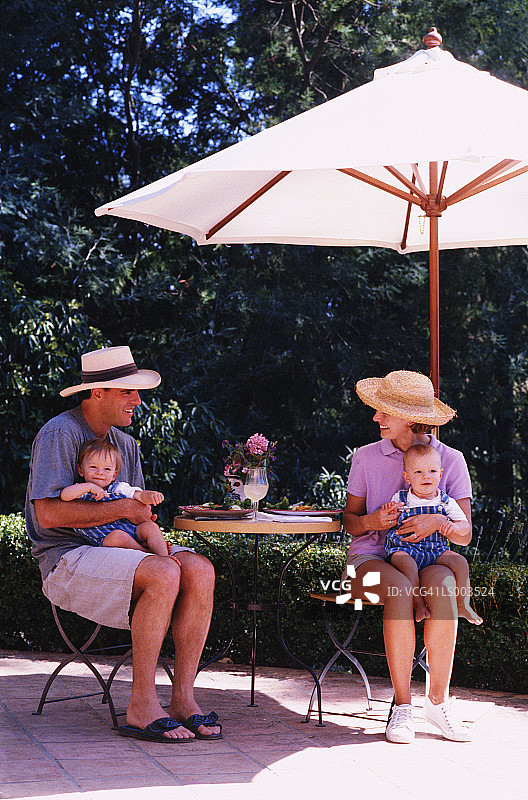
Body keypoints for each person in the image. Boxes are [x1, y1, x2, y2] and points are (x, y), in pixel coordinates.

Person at [25, 345, 222, 742]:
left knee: (200, 569)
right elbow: (48, 515)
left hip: (121, 549)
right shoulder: (60, 434)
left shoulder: (124, 445)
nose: (137, 400)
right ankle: (141, 704)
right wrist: (125, 513)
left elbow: (137, 511)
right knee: (166, 569)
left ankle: (183, 699)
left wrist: (141, 515)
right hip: (67, 558)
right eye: (127, 392)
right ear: (97, 392)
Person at [343, 369, 473, 744]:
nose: (375, 418)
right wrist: (371, 519)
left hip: (429, 559)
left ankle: (438, 701)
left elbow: (463, 534)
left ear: (410, 418)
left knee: (445, 584)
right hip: (368, 562)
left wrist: (436, 521)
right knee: (401, 587)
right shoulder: (366, 457)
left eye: (384, 411)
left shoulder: (450, 459)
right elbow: (349, 522)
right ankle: (402, 707)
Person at [383, 443, 482, 625]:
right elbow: (389, 519)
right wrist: (389, 511)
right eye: (418, 472)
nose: (426, 476)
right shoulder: (401, 498)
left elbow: (464, 526)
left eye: (432, 471)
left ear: (441, 474)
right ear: (407, 477)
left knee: (460, 562)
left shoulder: (446, 502)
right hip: (405, 548)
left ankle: (463, 604)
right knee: (406, 565)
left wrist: (449, 525)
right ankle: (419, 604)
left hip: (436, 550)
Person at [60, 437, 176, 560]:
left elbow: (139, 496)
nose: (100, 473)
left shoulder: (118, 488)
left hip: (131, 530)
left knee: (150, 527)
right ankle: (147, 552)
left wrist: (151, 495)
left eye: (107, 469)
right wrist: (89, 487)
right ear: (81, 470)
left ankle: (164, 556)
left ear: (114, 474)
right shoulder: (81, 490)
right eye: (93, 467)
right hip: (105, 539)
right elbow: (64, 495)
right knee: (117, 536)